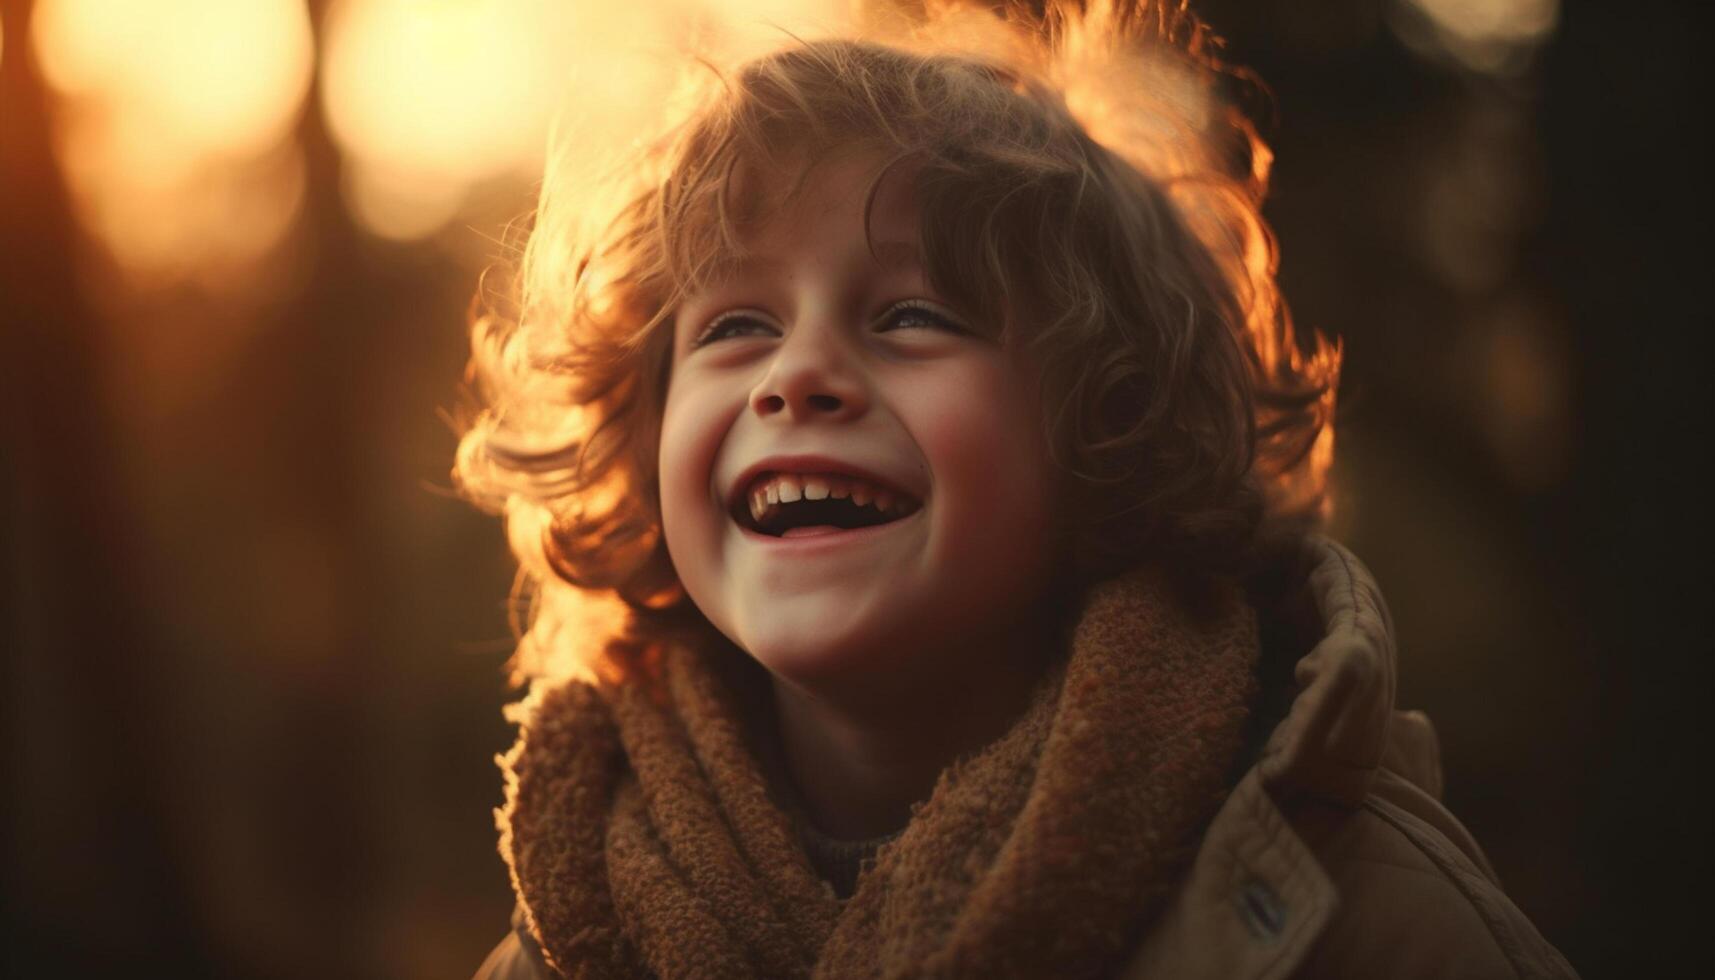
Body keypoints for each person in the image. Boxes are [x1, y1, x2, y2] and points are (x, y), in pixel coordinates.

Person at [458, 2, 1579, 977]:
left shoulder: (1354, 909)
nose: (795, 375)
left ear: (1108, 428)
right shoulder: (571, 926)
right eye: (737, 326)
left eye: (910, 315)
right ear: (644, 434)